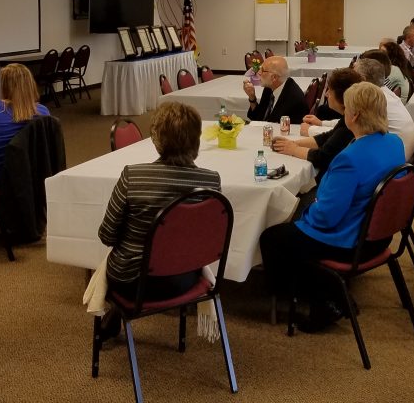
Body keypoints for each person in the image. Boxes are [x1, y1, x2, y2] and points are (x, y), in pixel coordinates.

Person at [259, 82, 405, 332]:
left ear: (355, 115)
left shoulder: (350, 158)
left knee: (273, 236)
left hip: (349, 241)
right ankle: (326, 291)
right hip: (380, 235)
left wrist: (304, 212)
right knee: (297, 216)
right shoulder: (393, 142)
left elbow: (325, 218)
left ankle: (323, 299)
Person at [98, 102, 221, 313]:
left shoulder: (133, 177)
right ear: (196, 139)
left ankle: (113, 316)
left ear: (157, 141)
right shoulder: (210, 182)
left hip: (133, 283)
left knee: (113, 262)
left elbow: (107, 236)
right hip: (186, 277)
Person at [271, 67, 362, 179]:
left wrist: (294, 149)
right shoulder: (348, 118)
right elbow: (328, 137)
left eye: (330, 90)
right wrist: (293, 143)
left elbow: (323, 158)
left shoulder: (350, 126)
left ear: (342, 96)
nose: (327, 94)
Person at [353, 57, 414, 157]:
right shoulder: (385, 92)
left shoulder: (373, 99)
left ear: (362, 79)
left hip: (397, 158)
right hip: (406, 150)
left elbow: (353, 125)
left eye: (353, 75)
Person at [242, 55, 308, 123]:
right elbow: (258, 117)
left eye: (263, 70)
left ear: (274, 77)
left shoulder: (293, 100)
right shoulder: (270, 87)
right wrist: (252, 97)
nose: (259, 73)